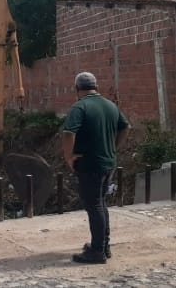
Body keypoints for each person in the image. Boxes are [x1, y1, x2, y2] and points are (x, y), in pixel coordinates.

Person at [62, 71, 130, 264]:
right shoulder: (110, 105)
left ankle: (97, 251)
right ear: (96, 86)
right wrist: (113, 147)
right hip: (108, 162)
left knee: (94, 206)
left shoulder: (80, 107)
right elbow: (126, 127)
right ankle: (103, 246)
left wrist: (68, 156)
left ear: (77, 89)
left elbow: (68, 133)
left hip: (89, 165)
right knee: (100, 203)